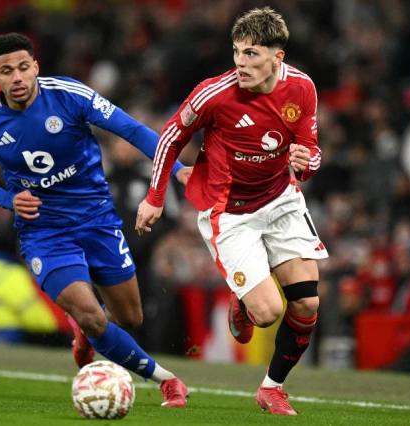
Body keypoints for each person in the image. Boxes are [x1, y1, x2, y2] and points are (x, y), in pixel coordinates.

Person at [0, 33, 190, 407]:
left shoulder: (69, 95)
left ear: (35, 67)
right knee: (92, 315)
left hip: (97, 220)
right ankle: (167, 380)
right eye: (7, 71)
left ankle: (84, 332)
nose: (17, 77)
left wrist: (177, 169)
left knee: (130, 317)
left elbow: (131, 130)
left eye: (23, 67)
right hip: (44, 232)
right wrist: (8, 199)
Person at [136, 7, 328, 415]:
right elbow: (171, 137)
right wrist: (155, 197)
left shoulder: (302, 88)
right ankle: (245, 300)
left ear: (277, 57)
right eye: (237, 52)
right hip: (229, 212)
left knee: (307, 305)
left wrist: (307, 164)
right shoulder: (214, 93)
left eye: (252, 53)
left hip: (280, 200)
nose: (241, 62)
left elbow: (310, 151)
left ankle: (272, 388)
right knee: (268, 312)